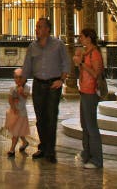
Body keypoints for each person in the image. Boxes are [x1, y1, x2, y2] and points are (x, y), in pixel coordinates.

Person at [21, 17, 70, 163]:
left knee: (51, 117)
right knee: (40, 118)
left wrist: (61, 80)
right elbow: (27, 67)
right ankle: (43, 147)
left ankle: (50, 151)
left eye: (40, 26)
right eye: (36, 26)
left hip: (53, 85)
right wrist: (21, 84)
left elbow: (66, 63)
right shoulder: (32, 47)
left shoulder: (58, 45)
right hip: (38, 85)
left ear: (47, 29)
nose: (37, 29)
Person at [73, 27, 104, 169]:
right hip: (83, 91)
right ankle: (87, 153)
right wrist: (78, 61)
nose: (80, 39)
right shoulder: (86, 52)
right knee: (84, 125)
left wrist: (82, 64)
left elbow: (96, 74)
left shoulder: (95, 54)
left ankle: (97, 160)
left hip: (91, 92)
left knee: (91, 126)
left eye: (82, 36)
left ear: (89, 38)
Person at [4, 68, 31, 157]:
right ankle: (25, 142)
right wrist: (13, 107)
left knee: (16, 132)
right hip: (14, 112)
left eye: (20, 78)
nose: (18, 80)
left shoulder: (27, 88)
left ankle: (12, 149)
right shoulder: (13, 88)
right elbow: (10, 99)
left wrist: (22, 92)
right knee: (17, 131)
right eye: (16, 78)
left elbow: (25, 96)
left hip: (22, 114)